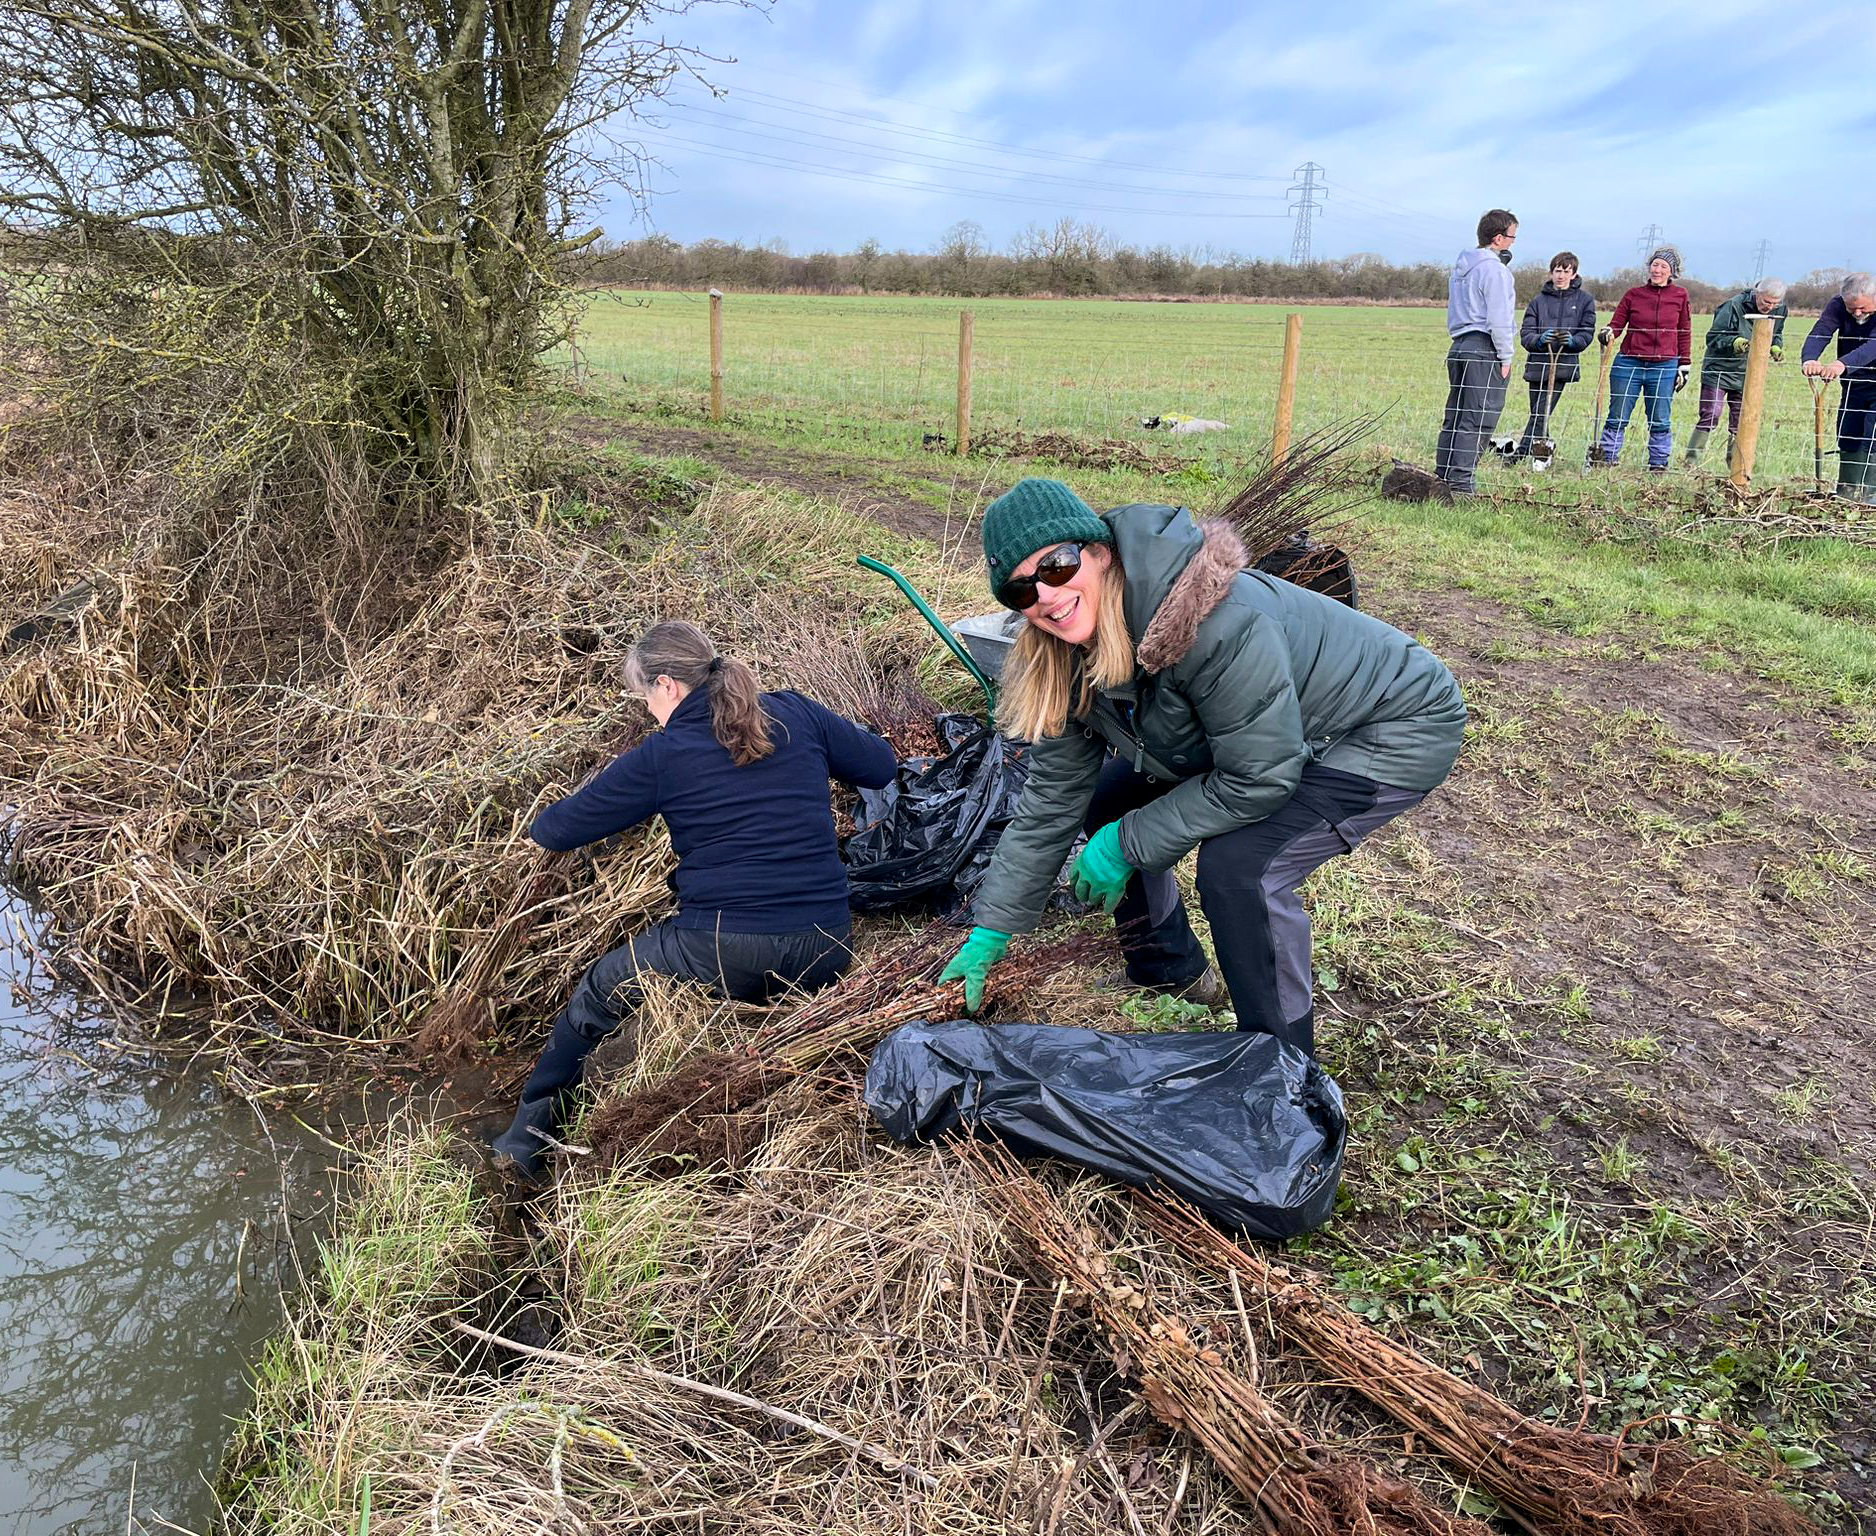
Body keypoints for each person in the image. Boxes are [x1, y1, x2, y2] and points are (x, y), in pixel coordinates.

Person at [939, 479, 1466, 1058]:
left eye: (1057, 566)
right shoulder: (1061, 653)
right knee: (1107, 802)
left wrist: (1126, 844)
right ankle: (1172, 969)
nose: (1045, 594)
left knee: (1242, 868)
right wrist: (995, 925)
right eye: (1019, 590)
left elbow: (1261, 776)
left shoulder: (1212, 623)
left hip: (1389, 725)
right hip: (1265, 737)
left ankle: (1282, 1067)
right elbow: (1052, 797)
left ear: (1100, 553)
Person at [488, 620, 898, 1176]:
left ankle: (524, 1142)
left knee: (601, 989)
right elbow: (880, 765)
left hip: (724, 947)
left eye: (645, 698)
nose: (649, 712)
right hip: (826, 945)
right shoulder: (795, 713)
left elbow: (556, 830)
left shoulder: (664, 754)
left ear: (668, 686)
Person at [1435, 209, 1519, 494]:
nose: (1512, 243)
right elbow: (1500, 318)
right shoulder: (1495, 271)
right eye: (1511, 237)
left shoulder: (1460, 269)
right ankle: (1461, 485)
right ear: (1498, 238)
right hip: (1484, 348)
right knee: (1479, 415)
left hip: (1459, 345)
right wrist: (1506, 356)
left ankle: (1442, 477)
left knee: (1457, 414)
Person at [1594, 246, 1692, 470]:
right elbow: (1617, 323)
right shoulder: (1634, 294)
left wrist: (1684, 364)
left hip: (1664, 365)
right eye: (1655, 265)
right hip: (1629, 361)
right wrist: (1609, 332)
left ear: (1672, 272)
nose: (1657, 270)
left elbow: (1684, 331)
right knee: (1618, 414)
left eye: (1663, 266)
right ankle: (1606, 459)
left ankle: (1658, 465)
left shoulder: (1680, 296)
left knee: (1659, 418)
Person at [1505, 251, 1598, 460]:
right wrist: (1538, 340)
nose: (1561, 275)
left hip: (1562, 364)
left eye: (1566, 271)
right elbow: (1526, 333)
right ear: (1551, 272)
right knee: (1539, 412)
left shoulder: (1584, 301)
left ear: (1574, 274)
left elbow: (1587, 331)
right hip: (1538, 363)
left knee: (1540, 412)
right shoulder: (1538, 301)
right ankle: (1545, 448)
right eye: (1558, 270)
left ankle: (1521, 453)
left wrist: (1574, 342)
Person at [1688, 277, 1789, 465]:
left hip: (1749, 373)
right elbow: (1714, 337)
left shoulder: (1781, 310)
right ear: (1757, 294)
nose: (1770, 307)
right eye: (1766, 302)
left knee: (1741, 421)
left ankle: (1734, 465)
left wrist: (1775, 346)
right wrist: (1735, 343)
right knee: (1711, 414)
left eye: (1775, 304)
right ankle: (1691, 461)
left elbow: (1776, 333)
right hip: (1719, 370)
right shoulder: (1733, 306)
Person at [1801, 272, 1876, 503]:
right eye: (1852, 308)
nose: (1857, 313)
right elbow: (1822, 330)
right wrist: (1810, 358)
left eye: (1863, 308)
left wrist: (1842, 363)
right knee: (1848, 432)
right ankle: (1847, 495)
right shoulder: (1838, 305)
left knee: (1872, 435)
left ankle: (1871, 498)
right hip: (1853, 383)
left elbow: (1873, 346)